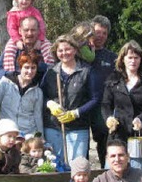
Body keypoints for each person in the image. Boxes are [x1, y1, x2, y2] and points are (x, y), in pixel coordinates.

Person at [101, 40, 142, 169]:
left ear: (141, 59)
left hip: (140, 135)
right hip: (117, 134)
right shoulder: (113, 79)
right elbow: (106, 104)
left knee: (136, 174)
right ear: (122, 59)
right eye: (130, 57)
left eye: (136, 57)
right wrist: (108, 118)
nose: (133, 61)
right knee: (112, 172)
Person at [40, 35, 100, 166]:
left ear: (75, 50)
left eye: (67, 49)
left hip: (78, 127)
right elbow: (41, 95)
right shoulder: (51, 72)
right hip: (53, 127)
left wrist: (75, 113)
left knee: (77, 167)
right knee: (54, 166)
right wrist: (49, 104)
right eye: (60, 50)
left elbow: (95, 99)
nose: (64, 53)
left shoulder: (86, 71)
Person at [2, 0, 53, 73]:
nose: (24, 1)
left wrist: (40, 40)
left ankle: (50, 70)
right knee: (9, 49)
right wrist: (17, 40)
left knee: (48, 47)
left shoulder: (34, 12)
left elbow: (41, 26)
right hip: (17, 37)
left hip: (36, 36)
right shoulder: (13, 13)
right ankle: (10, 72)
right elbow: (11, 28)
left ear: (31, 0)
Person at [89, 15, 117, 169]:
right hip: (83, 107)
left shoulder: (112, 58)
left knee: (105, 141)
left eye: (104, 33)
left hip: (103, 108)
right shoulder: (80, 54)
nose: (100, 36)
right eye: (97, 32)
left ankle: (106, 173)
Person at [0, 51, 44, 136]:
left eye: (33, 67)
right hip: (8, 132)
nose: (30, 71)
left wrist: (41, 137)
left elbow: (38, 116)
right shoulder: (5, 83)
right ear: (20, 68)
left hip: (28, 134)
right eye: (26, 67)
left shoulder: (37, 92)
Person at [0, 16, 53, 83]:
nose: (29, 33)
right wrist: (15, 75)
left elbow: (55, 71)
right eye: (26, 30)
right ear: (20, 31)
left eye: (33, 30)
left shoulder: (46, 50)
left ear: (38, 31)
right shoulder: (11, 50)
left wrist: (37, 68)